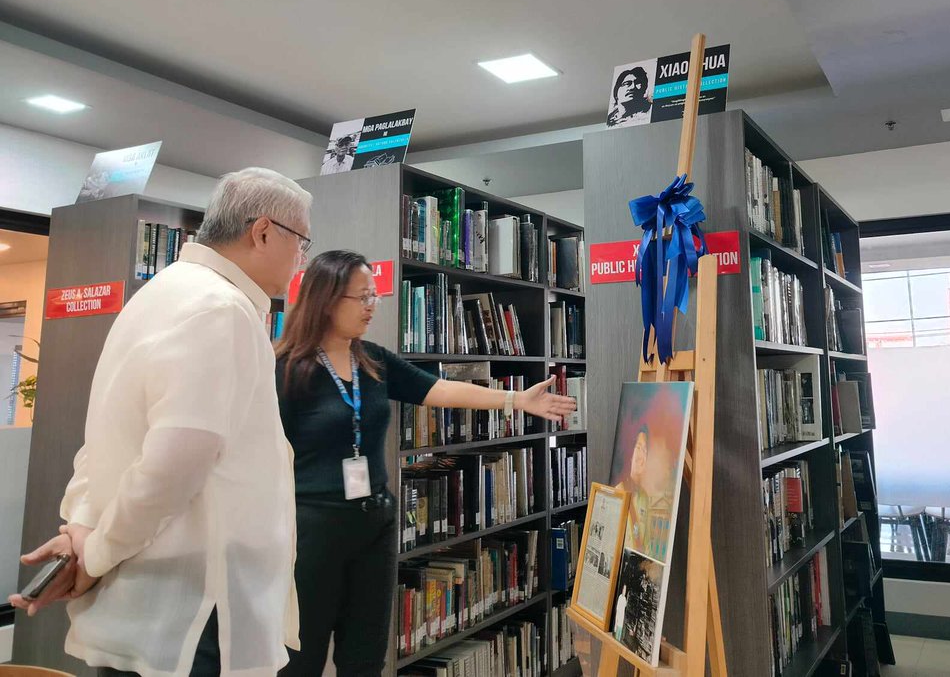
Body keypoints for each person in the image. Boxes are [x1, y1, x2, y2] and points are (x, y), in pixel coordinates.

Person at [8, 167, 313, 677]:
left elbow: (105, 441)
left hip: (149, 601)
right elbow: (174, 464)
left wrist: (85, 532)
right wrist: (96, 552)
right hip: (195, 609)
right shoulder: (222, 309)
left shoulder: (161, 293)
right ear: (262, 232)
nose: (303, 257)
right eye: (302, 241)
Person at [274, 250, 576, 677]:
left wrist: (516, 399)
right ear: (325, 299)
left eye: (373, 295)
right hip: (311, 530)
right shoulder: (286, 369)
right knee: (301, 657)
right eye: (361, 297)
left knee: (364, 656)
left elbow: (440, 390)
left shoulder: (372, 360)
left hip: (374, 524)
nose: (371, 306)